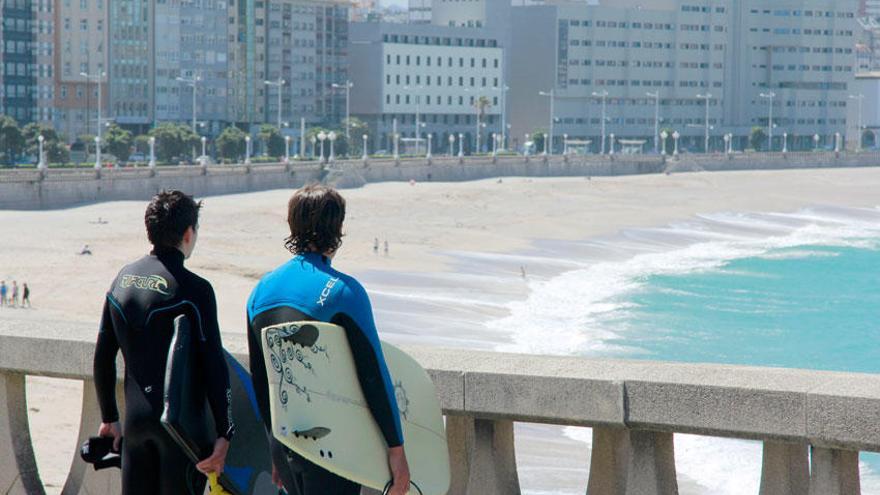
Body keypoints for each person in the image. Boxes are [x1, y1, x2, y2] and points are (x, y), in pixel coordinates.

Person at [246, 184, 410, 495]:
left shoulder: (260, 291)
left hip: (287, 444)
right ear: (337, 227)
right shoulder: (342, 292)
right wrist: (396, 448)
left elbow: (262, 380)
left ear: (293, 224)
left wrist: (275, 447)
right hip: (333, 448)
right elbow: (373, 374)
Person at [93, 190, 234, 495]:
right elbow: (214, 365)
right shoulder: (196, 290)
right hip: (182, 428)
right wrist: (226, 431)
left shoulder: (123, 279)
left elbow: (103, 356)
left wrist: (109, 417)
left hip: (135, 426)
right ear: (188, 233)